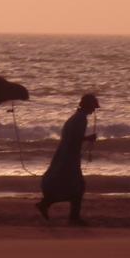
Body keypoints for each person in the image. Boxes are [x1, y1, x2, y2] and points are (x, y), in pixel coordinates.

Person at [37, 94, 99, 225]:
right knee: (79, 187)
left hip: (64, 156)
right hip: (69, 159)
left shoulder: (74, 118)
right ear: (88, 106)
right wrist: (88, 138)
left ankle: (46, 204)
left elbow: (70, 138)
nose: (94, 110)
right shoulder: (81, 119)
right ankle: (73, 217)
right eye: (93, 107)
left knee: (73, 186)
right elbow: (75, 139)